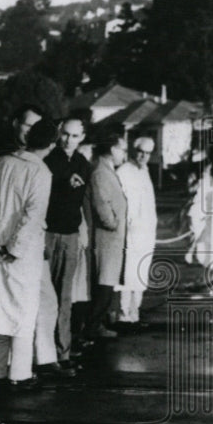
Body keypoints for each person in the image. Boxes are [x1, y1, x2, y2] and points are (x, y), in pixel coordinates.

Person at [0, 119, 57, 390]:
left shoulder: (0, 163)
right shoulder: (40, 172)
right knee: (24, 313)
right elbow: (32, 217)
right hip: (21, 254)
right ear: (51, 144)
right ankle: (20, 374)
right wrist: (14, 249)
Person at [41, 117, 92, 373]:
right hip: (49, 233)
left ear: (81, 137)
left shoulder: (83, 163)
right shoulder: (48, 160)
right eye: (65, 134)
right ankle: (45, 355)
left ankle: (63, 352)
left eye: (74, 136)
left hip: (71, 234)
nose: (68, 140)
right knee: (45, 298)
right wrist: (64, 184)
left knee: (65, 298)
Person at [84, 131, 129, 342]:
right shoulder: (100, 173)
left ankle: (97, 323)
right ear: (112, 149)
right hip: (106, 237)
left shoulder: (106, 170)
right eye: (123, 149)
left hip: (111, 238)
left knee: (107, 281)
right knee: (103, 282)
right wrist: (113, 223)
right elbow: (102, 204)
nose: (124, 155)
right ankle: (93, 326)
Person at [116, 136, 158, 329]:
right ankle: (123, 314)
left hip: (146, 233)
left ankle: (135, 313)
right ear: (134, 151)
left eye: (148, 153)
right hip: (130, 232)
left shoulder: (145, 172)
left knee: (140, 273)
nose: (143, 156)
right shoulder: (124, 172)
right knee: (127, 272)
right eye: (141, 151)